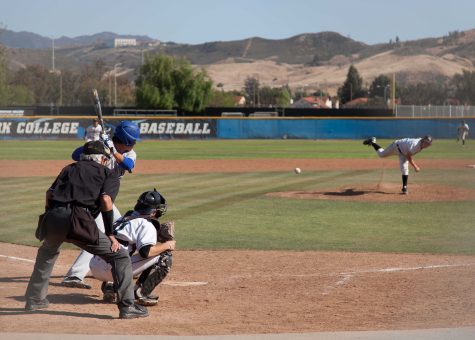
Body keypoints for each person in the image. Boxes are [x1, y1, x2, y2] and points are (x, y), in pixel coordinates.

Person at [24, 141, 148, 319]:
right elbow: (106, 201)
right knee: (119, 256)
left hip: (54, 216)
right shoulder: (108, 173)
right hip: (79, 220)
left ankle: (34, 299)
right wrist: (110, 234)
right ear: (104, 159)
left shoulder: (69, 168)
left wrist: (48, 215)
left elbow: (49, 194)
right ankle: (127, 306)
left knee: (47, 252)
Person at [62, 120, 140, 289]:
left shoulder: (130, 154)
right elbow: (75, 155)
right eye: (133, 141)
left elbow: (128, 165)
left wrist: (111, 149)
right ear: (126, 140)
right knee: (95, 236)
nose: (134, 144)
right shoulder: (103, 146)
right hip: (95, 199)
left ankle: (120, 267)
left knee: (120, 229)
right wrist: (96, 143)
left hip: (107, 200)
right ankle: (75, 275)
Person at [89, 189, 176, 306]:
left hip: (94, 265)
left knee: (121, 251)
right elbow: (146, 252)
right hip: (109, 270)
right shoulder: (146, 224)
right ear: (154, 211)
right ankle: (141, 293)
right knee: (164, 256)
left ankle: (110, 286)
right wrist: (167, 245)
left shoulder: (127, 217)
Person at [363, 136, 433, 194]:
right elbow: (409, 156)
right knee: (382, 154)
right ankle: (373, 142)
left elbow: (408, 154)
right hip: (396, 146)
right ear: (423, 141)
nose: (427, 145)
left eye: (428, 144)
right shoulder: (415, 145)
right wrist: (415, 166)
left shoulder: (421, 143)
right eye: (426, 143)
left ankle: (404, 188)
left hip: (403, 152)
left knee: (405, 169)